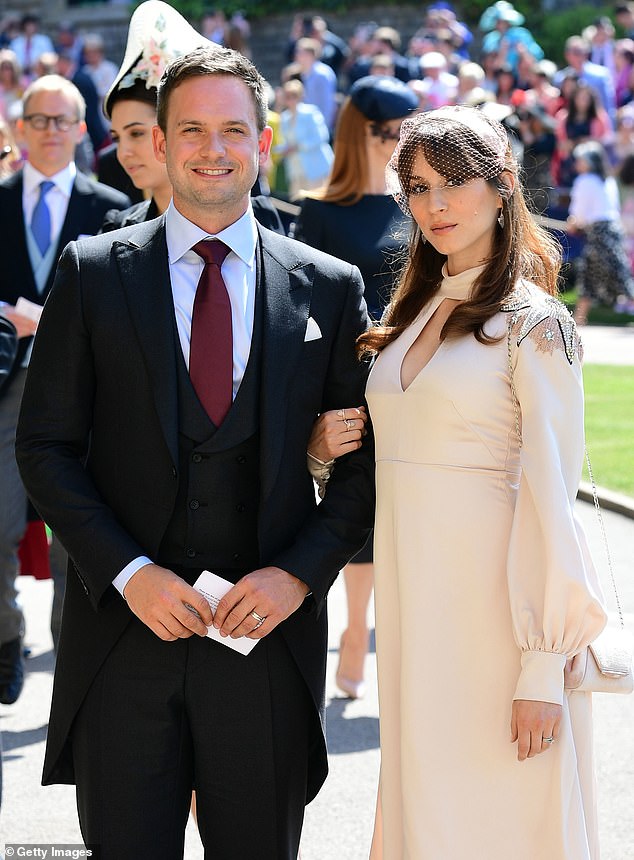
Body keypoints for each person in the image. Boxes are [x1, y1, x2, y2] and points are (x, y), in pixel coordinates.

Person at [15, 44, 374, 859]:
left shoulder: (329, 286)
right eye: (193, 130)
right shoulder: (94, 272)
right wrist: (130, 575)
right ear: (162, 143)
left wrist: (296, 576)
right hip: (122, 644)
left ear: (265, 141)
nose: (214, 149)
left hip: (266, 646)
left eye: (233, 131)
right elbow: (46, 448)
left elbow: (361, 475)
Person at [308, 105, 607, 858]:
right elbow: (387, 461)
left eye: (453, 183)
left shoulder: (535, 323)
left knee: (500, 818)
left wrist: (543, 661)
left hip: (497, 624)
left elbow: (551, 493)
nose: (433, 204)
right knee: (429, 810)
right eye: (415, 186)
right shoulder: (411, 313)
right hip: (415, 617)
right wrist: (319, 452)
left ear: (502, 184)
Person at [0, 75, 130, 680]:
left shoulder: (110, 210)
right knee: (1, 521)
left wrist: (47, 321)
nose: (50, 131)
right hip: (4, 386)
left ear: (82, 131)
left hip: (82, 393)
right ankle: (6, 638)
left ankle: (68, 653)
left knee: (71, 532)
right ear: (19, 128)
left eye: (63, 121)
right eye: (39, 120)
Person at [294, 75, 417, 699]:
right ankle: (352, 628)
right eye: (386, 131)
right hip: (350, 384)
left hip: (418, 382)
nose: (397, 142)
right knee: (357, 503)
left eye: (405, 130)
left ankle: (374, 633)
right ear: (355, 131)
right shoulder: (319, 211)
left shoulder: (418, 206)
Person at [100, 1, 285, 236]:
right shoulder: (116, 232)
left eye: (136, 133)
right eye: (117, 138)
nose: (124, 152)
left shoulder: (263, 224)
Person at [567, 140, 634, 324]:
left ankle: (580, 318)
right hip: (610, 230)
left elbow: (579, 213)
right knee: (590, 274)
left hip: (599, 232)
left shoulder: (585, 180)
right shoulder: (608, 179)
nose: (577, 164)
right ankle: (579, 319)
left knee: (619, 276)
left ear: (589, 161)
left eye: (580, 160)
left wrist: (574, 222)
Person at [276, 78, 333, 200]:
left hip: (315, 168)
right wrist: (282, 150)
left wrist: (297, 147)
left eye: (294, 95)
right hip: (296, 170)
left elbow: (321, 137)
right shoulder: (284, 118)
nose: (291, 99)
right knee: (297, 206)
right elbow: (285, 142)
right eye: (287, 96)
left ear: (300, 96)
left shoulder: (311, 112)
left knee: (317, 204)